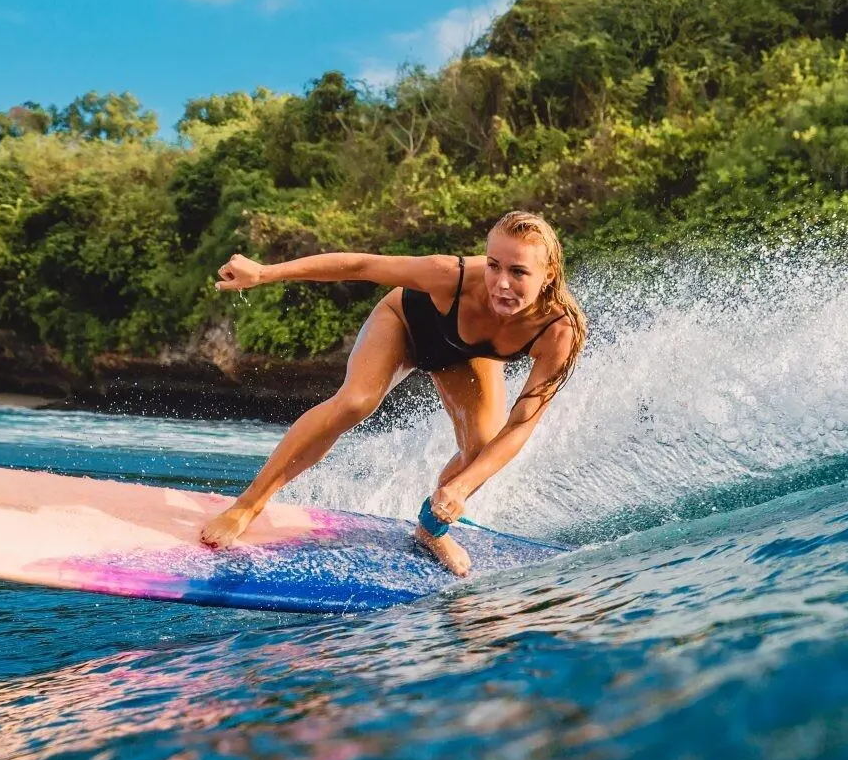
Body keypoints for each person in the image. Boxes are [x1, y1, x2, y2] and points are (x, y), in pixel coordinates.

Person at [199, 210, 587, 576]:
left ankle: (431, 528)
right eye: (493, 265)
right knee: (356, 402)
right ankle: (248, 505)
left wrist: (460, 489)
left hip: (463, 356)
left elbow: (521, 423)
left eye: (518, 272)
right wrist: (264, 273)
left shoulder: (559, 332)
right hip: (405, 323)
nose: (501, 283)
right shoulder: (449, 275)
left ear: (548, 273)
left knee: (481, 450)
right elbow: (362, 266)